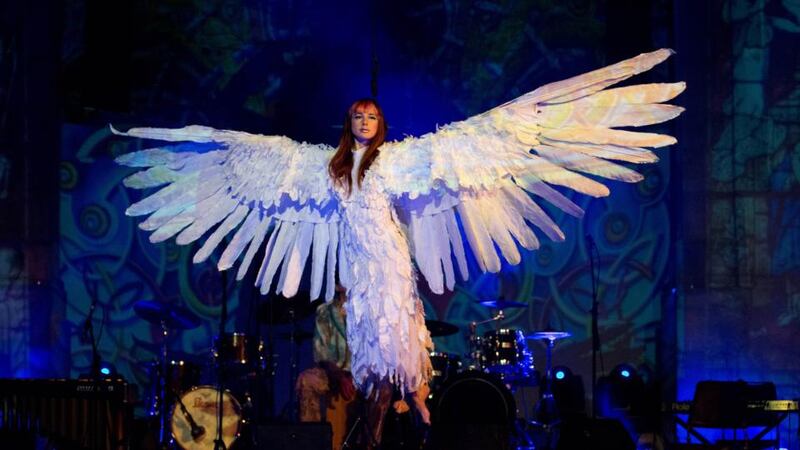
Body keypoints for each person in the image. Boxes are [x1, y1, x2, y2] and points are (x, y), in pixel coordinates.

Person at [113, 49, 683, 427]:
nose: (364, 123)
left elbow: (497, 141)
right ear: (348, 124)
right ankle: (380, 418)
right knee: (369, 352)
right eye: (356, 117)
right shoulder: (321, 168)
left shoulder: (404, 162)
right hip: (355, 267)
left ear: (381, 125)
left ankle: (417, 405)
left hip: (386, 258)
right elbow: (247, 170)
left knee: (399, 341)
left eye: (371, 117)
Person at [296, 284, 428, 449]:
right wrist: (340, 376)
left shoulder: (372, 308)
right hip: (334, 373)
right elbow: (322, 354)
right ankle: (311, 443)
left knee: (384, 387)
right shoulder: (325, 311)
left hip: (365, 375)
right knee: (307, 380)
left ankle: (369, 444)